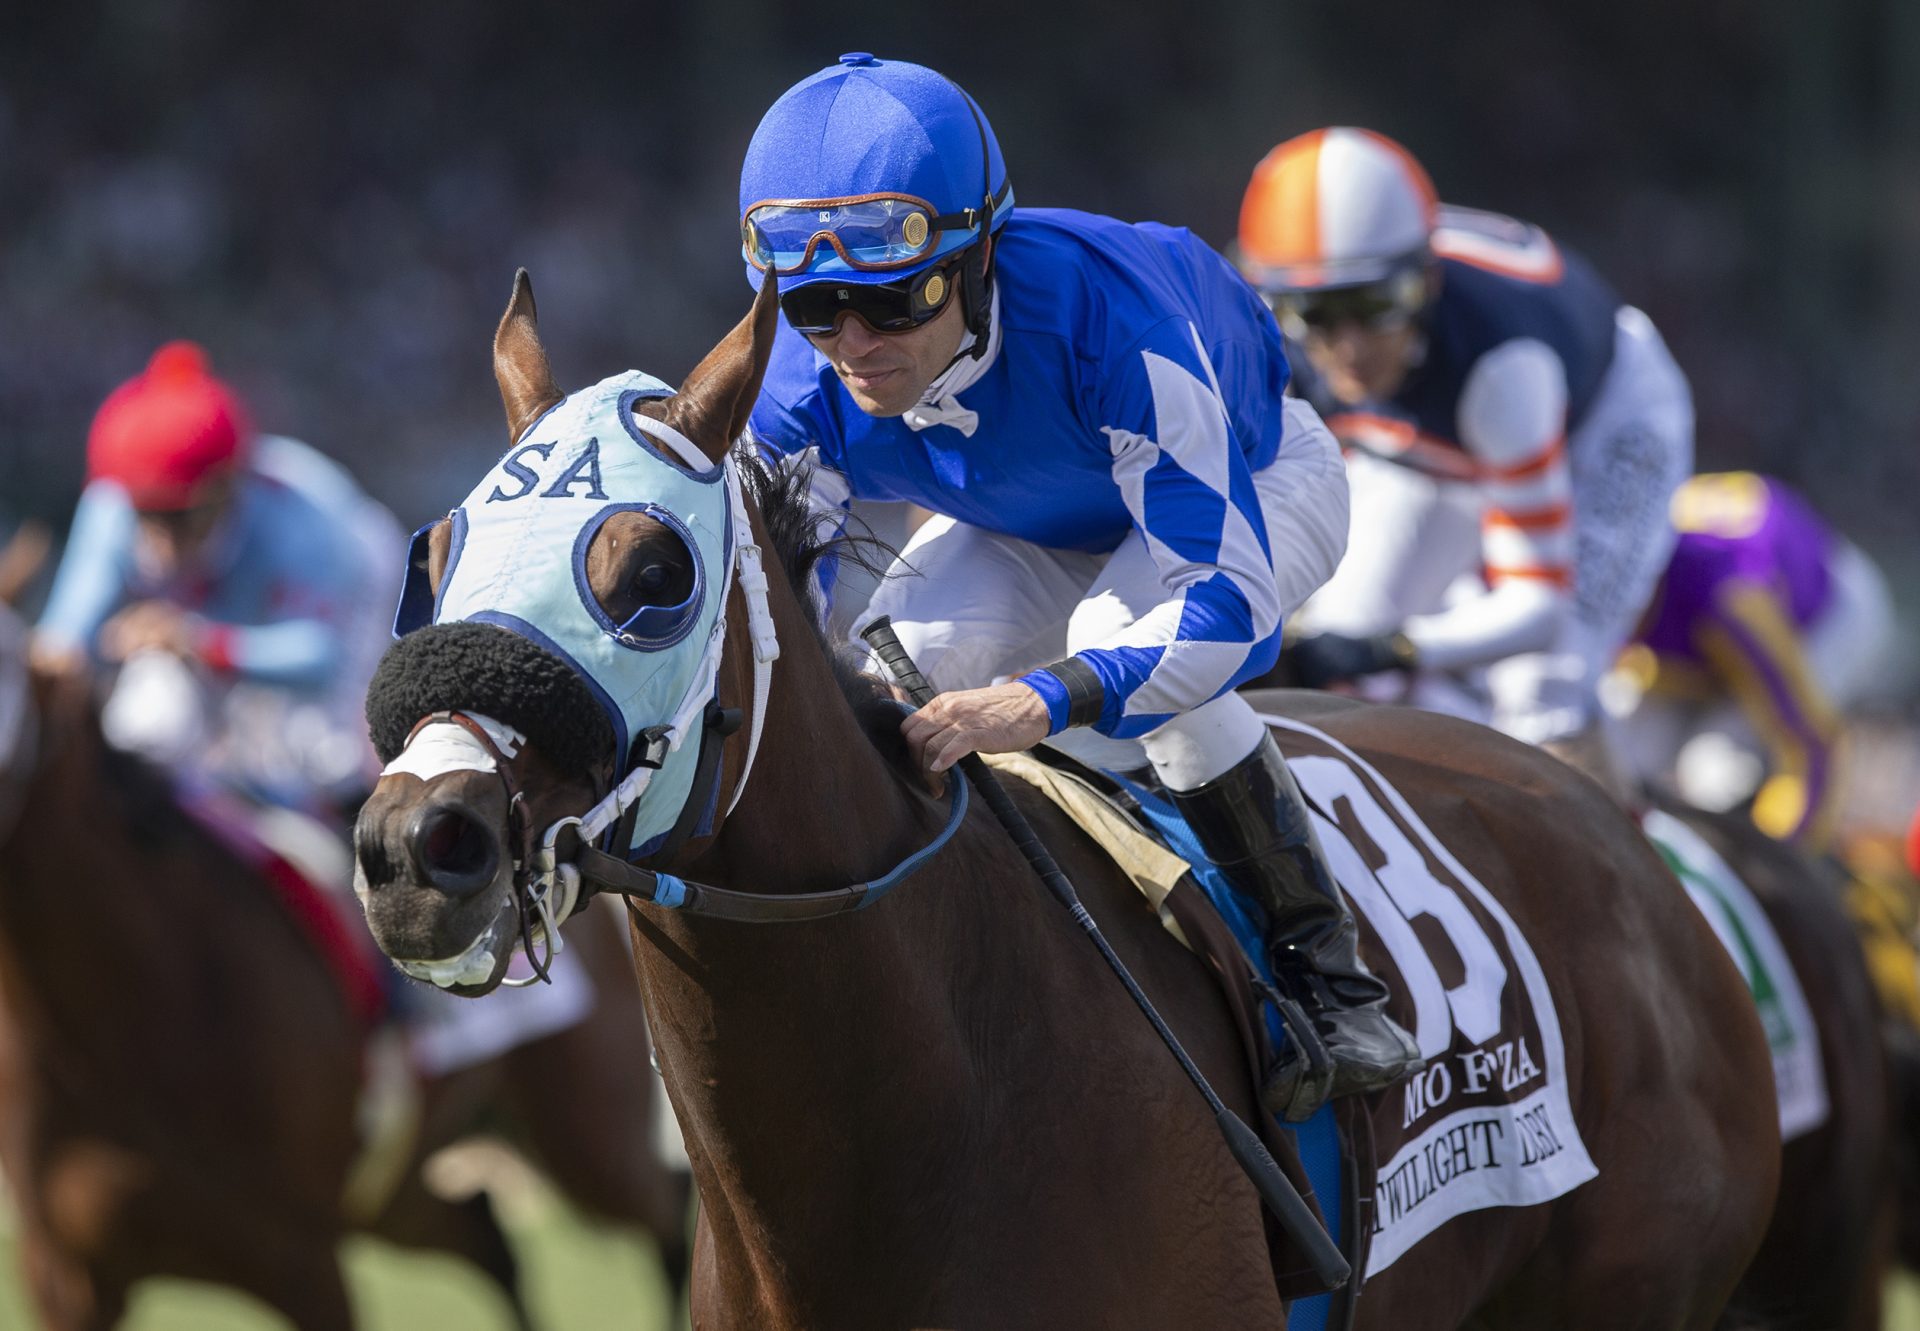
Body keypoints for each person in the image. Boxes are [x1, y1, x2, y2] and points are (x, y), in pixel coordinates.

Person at [739, 54, 1419, 1118]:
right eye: (817, 306)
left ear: (976, 260)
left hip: (1259, 479)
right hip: (1027, 520)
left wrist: (1038, 699)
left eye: (894, 297)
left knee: (1122, 638)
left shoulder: (1115, 320)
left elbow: (1225, 610)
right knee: (890, 671)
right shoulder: (793, 379)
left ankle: (1326, 977)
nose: (855, 346)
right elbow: (784, 629)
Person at [1237, 128, 1694, 773]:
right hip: (1427, 433)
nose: (1348, 346)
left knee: (1543, 698)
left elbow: (1536, 608)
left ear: (1424, 282)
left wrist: (1396, 648)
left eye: (1374, 305)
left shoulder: (1505, 370)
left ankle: (1624, 861)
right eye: (1311, 311)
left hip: (1602, 419)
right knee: (1326, 662)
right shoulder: (1270, 332)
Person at [34, 341, 404, 818]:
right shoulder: (111, 506)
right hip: (224, 617)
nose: (162, 541)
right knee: (148, 716)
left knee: (320, 754)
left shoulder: (295, 517)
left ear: (229, 485)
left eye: (180, 516)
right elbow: (61, 643)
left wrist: (199, 641)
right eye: (147, 515)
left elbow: (318, 657)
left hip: (351, 588)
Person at [1608, 471, 1895, 851]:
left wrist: (1787, 862)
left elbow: (1814, 743)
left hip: (1824, 618)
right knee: (1621, 754)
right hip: (1706, 636)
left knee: (1712, 774)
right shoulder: (1613, 574)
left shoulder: (1733, 602)